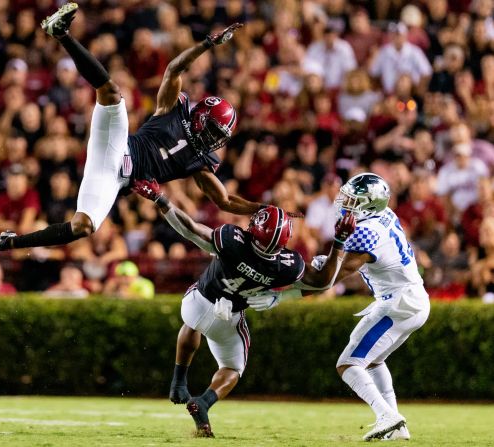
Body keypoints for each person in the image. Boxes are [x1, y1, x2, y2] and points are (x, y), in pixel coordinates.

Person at [0, 3, 263, 257]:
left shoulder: (201, 162)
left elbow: (225, 200)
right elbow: (173, 70)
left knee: (83, 226)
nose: (214, 140)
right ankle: (61, 33)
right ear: (201, 117)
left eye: (219, 136)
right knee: (111, 92)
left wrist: (261, 209)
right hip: (117, 144)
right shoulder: (175, 108)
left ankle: (9, 242)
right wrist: (207, 45)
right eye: (213, 130)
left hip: (115, 178)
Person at [133, 179, 350, 438]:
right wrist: (339, 241)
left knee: (192, 324)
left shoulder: (233, 241)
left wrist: (161, 199)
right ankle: (203, 402)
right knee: (233, 369)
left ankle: (179, 381)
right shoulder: (287, 265)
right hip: (230, 319)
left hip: (198, 302)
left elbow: (190, 229)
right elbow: (322, 283)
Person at [247, 173, 429, 441]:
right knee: (374, 361)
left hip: (398, 304)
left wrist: (281, 296)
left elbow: (326, 282)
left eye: (352, 200)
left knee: (349, 364)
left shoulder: (368, 232)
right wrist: (335, 258)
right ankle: (397, 426)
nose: (344, 202)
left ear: (368, 204)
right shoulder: (384, 214)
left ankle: (387, 417)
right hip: (413, 299)